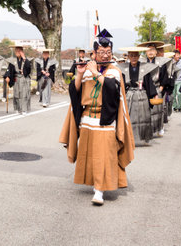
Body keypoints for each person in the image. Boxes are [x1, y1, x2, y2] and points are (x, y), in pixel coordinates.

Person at [59, 29, 135, 206]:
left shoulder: (114, 71)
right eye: (101, 52)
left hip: (105, 119)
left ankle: (100, 190)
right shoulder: (87, 70)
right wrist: (80, 73)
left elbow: (112, 90)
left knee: (103, 155)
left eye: (107, 52)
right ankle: (95, 185)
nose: (104, 55)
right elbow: (75, 92)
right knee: (90, 155)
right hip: (87, 119)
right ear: (93, 53)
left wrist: (95, 73)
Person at [119, 47, 158, 144]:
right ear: (128, 57)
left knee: (143, 116)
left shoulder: (144, 68)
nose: (133, 58)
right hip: (129, 95)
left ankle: (143, 137)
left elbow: (149, 82)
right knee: (129, 117)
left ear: (139, 56)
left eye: (135, 56)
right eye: (131, 56)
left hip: (142, 95)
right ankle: (129, 138)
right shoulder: (123, 68)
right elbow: (121, 83)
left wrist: (154, 94)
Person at [137, 41, 168, 137]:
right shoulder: (142, 63)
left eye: (153, 50)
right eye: (148, 50)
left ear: (156, 52)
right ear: (145, 52)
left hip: (157, 86)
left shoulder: (161, 63)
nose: (150, 52)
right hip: (145, 89)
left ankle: (159, 127)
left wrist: (161, 88)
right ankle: (148, 129)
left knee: (158, 109)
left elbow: (164, 76)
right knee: (146, 109)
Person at [4, 45, 31, 115]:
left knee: (24, 94)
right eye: (16, 51)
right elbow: (8, 70)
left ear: (22, 51)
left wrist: (24, 58)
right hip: (16, 78)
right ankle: (17, 108)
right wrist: (7, 76)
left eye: (19, 51)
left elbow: (28, 69)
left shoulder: (26, 60)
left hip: (24, 78)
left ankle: (24, 109)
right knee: (16, 94)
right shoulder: (13, 61)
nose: (18, 52)